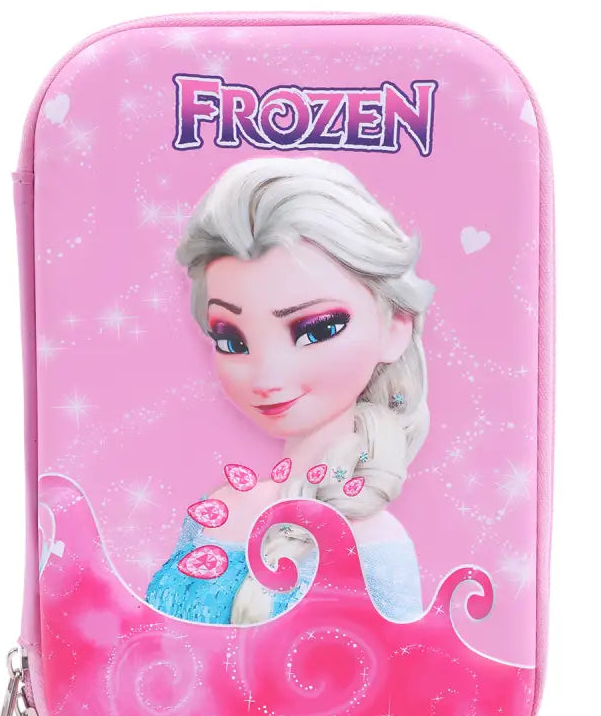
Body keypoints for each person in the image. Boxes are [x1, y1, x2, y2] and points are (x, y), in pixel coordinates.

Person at [146, 156, 435, 625]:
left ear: (396, 326)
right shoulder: (218, 510)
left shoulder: (376, 543)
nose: (266, 377)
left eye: (317, 330)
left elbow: (400, 671)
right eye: (232, 340)